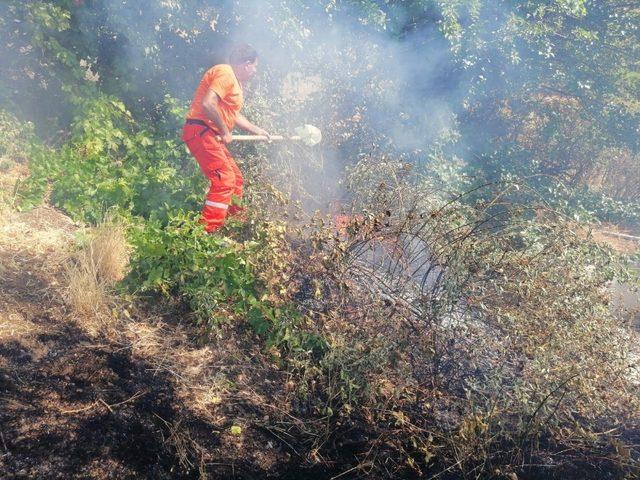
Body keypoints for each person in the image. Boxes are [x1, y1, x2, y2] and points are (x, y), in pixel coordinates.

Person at [182, 44, 270, 233]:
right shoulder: (226, 73)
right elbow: (208, 103)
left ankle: (233, 226)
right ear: (247, 63)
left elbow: (233, 114)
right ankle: (207, 232)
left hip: (209, 134)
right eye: (255, 66)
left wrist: (256, 130)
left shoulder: (235, 82)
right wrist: (224, 131)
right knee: (224, 179)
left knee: (236, 179)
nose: (255, 71)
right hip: (200, 130)